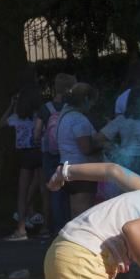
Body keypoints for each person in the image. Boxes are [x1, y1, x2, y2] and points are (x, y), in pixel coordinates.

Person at [0, 83, 43, 240]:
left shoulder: (17, 118)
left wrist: (11, 106)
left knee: (22, 191)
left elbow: (2, 123)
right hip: (39, 151)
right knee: (43, 188)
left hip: (25, 155)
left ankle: (21, 227)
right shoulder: (40, 115)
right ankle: (46, 226)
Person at [96, 88, 140, 183]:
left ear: (129, 102)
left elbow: (98, 139)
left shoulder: (121, 120)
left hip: (127, 161)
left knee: (129, 194)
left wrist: (114, 148)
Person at [35, 72, 77, 234]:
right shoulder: (72, 108)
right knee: (71, 191)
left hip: (50, 154)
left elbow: (37, 133)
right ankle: (71, 224)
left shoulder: (45, 109)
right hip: (68, 152)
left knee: (54, 190)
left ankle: (58, 227)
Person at [56, 83, 103, 218]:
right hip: (82, 171)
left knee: (74, 214)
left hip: (66, 166)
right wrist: (101, 145)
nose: (93, 105)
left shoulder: (64, 115)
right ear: (86, 99)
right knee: (83, 216)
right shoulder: (79, 119)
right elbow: (86, 148)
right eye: (93, 101)